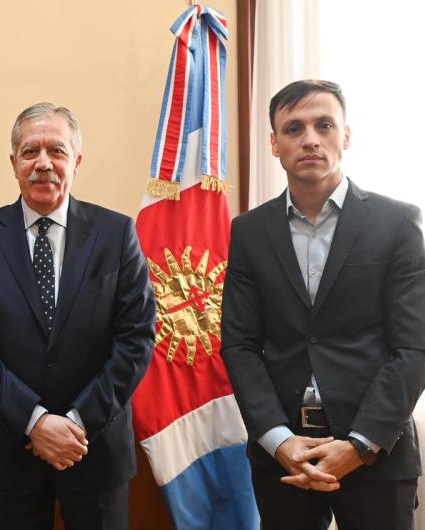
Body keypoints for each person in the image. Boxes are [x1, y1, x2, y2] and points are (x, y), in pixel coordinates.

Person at [221, 79, 425, 529]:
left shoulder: (397, 223)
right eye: (294, 128)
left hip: (376, 453)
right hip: (284, 458)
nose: (310, 139)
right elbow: (239, 345)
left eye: (324, 124)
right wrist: (278, 440)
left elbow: (413, 349)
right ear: (275, 144)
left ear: (346, 135)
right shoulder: (249, 233)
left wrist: (358, 445)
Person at [0, 103, 156, 530]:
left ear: (76, 161)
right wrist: (36, 421)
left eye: (56, 151)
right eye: (30, 152)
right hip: (14, 450)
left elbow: (135, 338)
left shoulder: (117, 234)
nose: (43, 163)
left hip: (94, 450)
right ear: (14, 163)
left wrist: (77, 424)